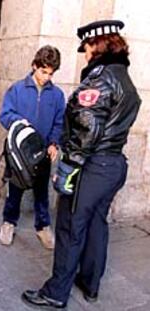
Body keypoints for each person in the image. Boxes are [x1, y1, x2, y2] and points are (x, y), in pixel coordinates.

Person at [22, 20, 141, 309]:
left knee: (70, 227)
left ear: (98, 46)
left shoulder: (100, 79)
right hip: (113, 165)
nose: (85, 54)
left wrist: (67, 168)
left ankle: (55, 293)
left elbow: (87, 129)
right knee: (97, 224)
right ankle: (90, 283)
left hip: (91, 166)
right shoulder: (123, 77)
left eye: (87, 48)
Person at [0, 45, 65, 250]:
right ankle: (9, 223)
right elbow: (5, 115)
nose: (46, 77)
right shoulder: (17, 89)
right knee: (15, 190)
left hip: (42, 152)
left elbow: (59, 122)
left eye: (50, 73)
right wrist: (19, 121)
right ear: (34, 66)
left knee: (41, 192)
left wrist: (54, 143)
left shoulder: (57, 95)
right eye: (43, 71)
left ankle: (43, 226)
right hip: (19, 152)